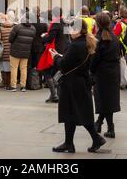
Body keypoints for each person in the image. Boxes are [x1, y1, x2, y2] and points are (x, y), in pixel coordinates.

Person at [51, 19, 105, 153]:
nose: (70, 31)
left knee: (76, 113)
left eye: (72, 28)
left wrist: (55, 57)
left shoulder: (75, 45)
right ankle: (69, 143)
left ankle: (95, 138)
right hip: (81, 81)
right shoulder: (86, 43)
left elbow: (63, 64)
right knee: (74, 113)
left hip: (72, 83)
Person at [91, 13, 121, 138]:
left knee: (104, 101)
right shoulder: (115, 38)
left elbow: (94, 59)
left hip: (101, 73)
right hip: (114, 72)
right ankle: (99, 123)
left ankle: (110, 128)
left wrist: (91, 71)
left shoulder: (97, 39)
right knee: (109, 100)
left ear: (98, 24)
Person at [42, 7, 70, 103]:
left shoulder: (55, 23)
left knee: (47, 71)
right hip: (64, 49)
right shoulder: (64, 22)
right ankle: (56, 94)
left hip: (55, 50)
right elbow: (66, 37)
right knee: (57, 72)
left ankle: (54, 95)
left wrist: (43, 37)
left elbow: (50, 38)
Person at [8, 14, 36, 92]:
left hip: (15, 51)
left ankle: (13, 86)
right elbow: (33, 40)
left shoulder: (17, 27)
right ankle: (23, 86)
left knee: (14, 68)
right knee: (24, 68)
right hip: (26, 52)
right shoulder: (33, 28)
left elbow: (10, 39)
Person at [113, 6, 127, 87]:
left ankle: (123, 83)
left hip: (122, 47)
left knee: (122, 66)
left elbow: (115, 34)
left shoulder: (120, 24)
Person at [0, 13, 14, 90]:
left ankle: (5, 83)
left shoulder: (0, 28)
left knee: (4, 68)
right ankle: (9, 84)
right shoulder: (14, 28)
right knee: (10, 68)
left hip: (3, 50)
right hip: (11, 50)